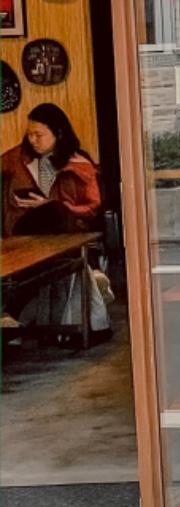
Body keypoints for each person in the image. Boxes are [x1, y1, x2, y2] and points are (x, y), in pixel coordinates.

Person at [1, 103, 110, 337]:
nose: (32, 140)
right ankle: (92, 270)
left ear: (58, 133)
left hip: (65, 229)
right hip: (27, 228)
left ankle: (11, 310)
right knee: (51, 216)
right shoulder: (16, 159)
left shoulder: (79, 163)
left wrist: (55, 205)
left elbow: (93, 207)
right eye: (29, 134)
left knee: (56, 212)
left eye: (38, 135)